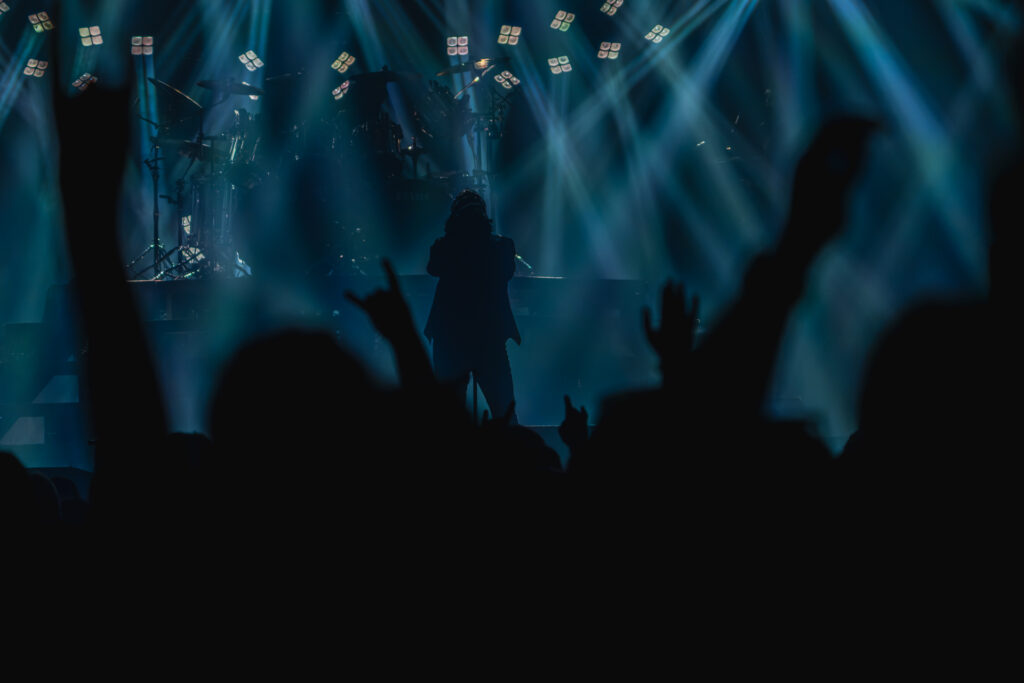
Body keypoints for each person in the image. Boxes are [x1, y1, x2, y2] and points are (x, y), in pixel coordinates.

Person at [424, 190, 521, 422]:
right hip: (486, 338)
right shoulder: (501, 246)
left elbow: (434, 267)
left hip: (453, 338)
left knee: (451, 414)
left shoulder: (446, 246)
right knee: (503, 411)